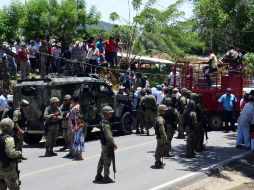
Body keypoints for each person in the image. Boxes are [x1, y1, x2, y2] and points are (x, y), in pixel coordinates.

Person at [94, 106, 117, 184]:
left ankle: (98, 175)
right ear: (106, 114)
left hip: (104, 144)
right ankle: (106, 177)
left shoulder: (103, 121)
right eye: (110, 112)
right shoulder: (106, 124)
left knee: (102, 160)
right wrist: (113, 144)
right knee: (107, 161)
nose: (111, 114)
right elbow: (109, 136)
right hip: (107, 144)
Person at [0, 118, 22, 190]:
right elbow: (11, 154)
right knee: (14, 187)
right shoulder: (9, 139)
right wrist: (19, 153)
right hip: (8, 168)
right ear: (10, 127)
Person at [153, 104, 168, 169]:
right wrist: (164, 137)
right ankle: (157, 162)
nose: (165, 112)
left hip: (160, 136)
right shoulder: (160, 119)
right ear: (161, 111)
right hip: (161, 137)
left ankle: (159, 162)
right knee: (160, 149)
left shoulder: (160, 117)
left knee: (162, 148)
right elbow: (161, 128)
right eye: (164, 111)